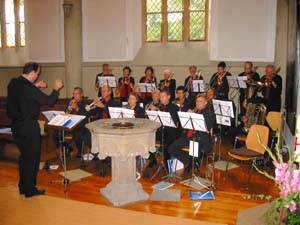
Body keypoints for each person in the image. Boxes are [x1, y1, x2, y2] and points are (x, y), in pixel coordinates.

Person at [7, 62, 64, 197]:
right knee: (32, 159)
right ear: (32, 72)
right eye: (37, 74)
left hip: (16, 126)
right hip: (29, 127)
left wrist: (36, 86)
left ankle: (23, 187)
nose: (37, 77)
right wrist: (56, 89)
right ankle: (30, 190)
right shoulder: (30, 89)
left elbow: (24, 90)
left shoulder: (13, 83)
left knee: (24, 158)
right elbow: (50, 101)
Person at [168, 94, 215, 171]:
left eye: (200, 101)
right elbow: (186, 125)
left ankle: (193, 162)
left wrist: (194, 116)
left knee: (195, 144)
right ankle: (191, 161)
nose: (197, 103)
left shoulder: (209, 113)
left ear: (205, 103)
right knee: (171, 148)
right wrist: (187, 115)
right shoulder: (195, 110)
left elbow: (206, 128)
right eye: (197, 101)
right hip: (189, 136)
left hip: (201, 138)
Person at [65, 87, 91, 158]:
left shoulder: (85, 104)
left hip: (81, 126)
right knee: (56, 134)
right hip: (70, 125)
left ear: (81, 94)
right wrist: (69, 108)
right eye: (74, 94)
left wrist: (77, 108)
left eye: (77, 94)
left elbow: (86, 115)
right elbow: (65, 114)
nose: (75, 96)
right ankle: (69, 149)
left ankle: (80, 151)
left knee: (77, 134)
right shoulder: (71, 102)